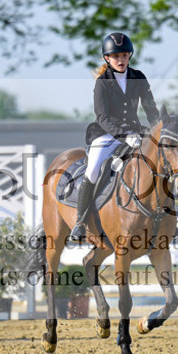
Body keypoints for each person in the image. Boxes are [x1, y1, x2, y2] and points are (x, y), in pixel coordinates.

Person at [68, 32, 160, 243]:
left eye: (124, 55)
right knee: (93, 169)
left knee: (157, 163)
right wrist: (124, 136)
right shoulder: (103, 82)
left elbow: (150, 108)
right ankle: (80, 221)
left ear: (129, 56)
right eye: (116, 56)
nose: (121, 60)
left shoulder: (138, 77)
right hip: (107, 135)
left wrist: (157, 129)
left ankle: (163, 218)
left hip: (136, 132)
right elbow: (102, 117)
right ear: (107, 58)